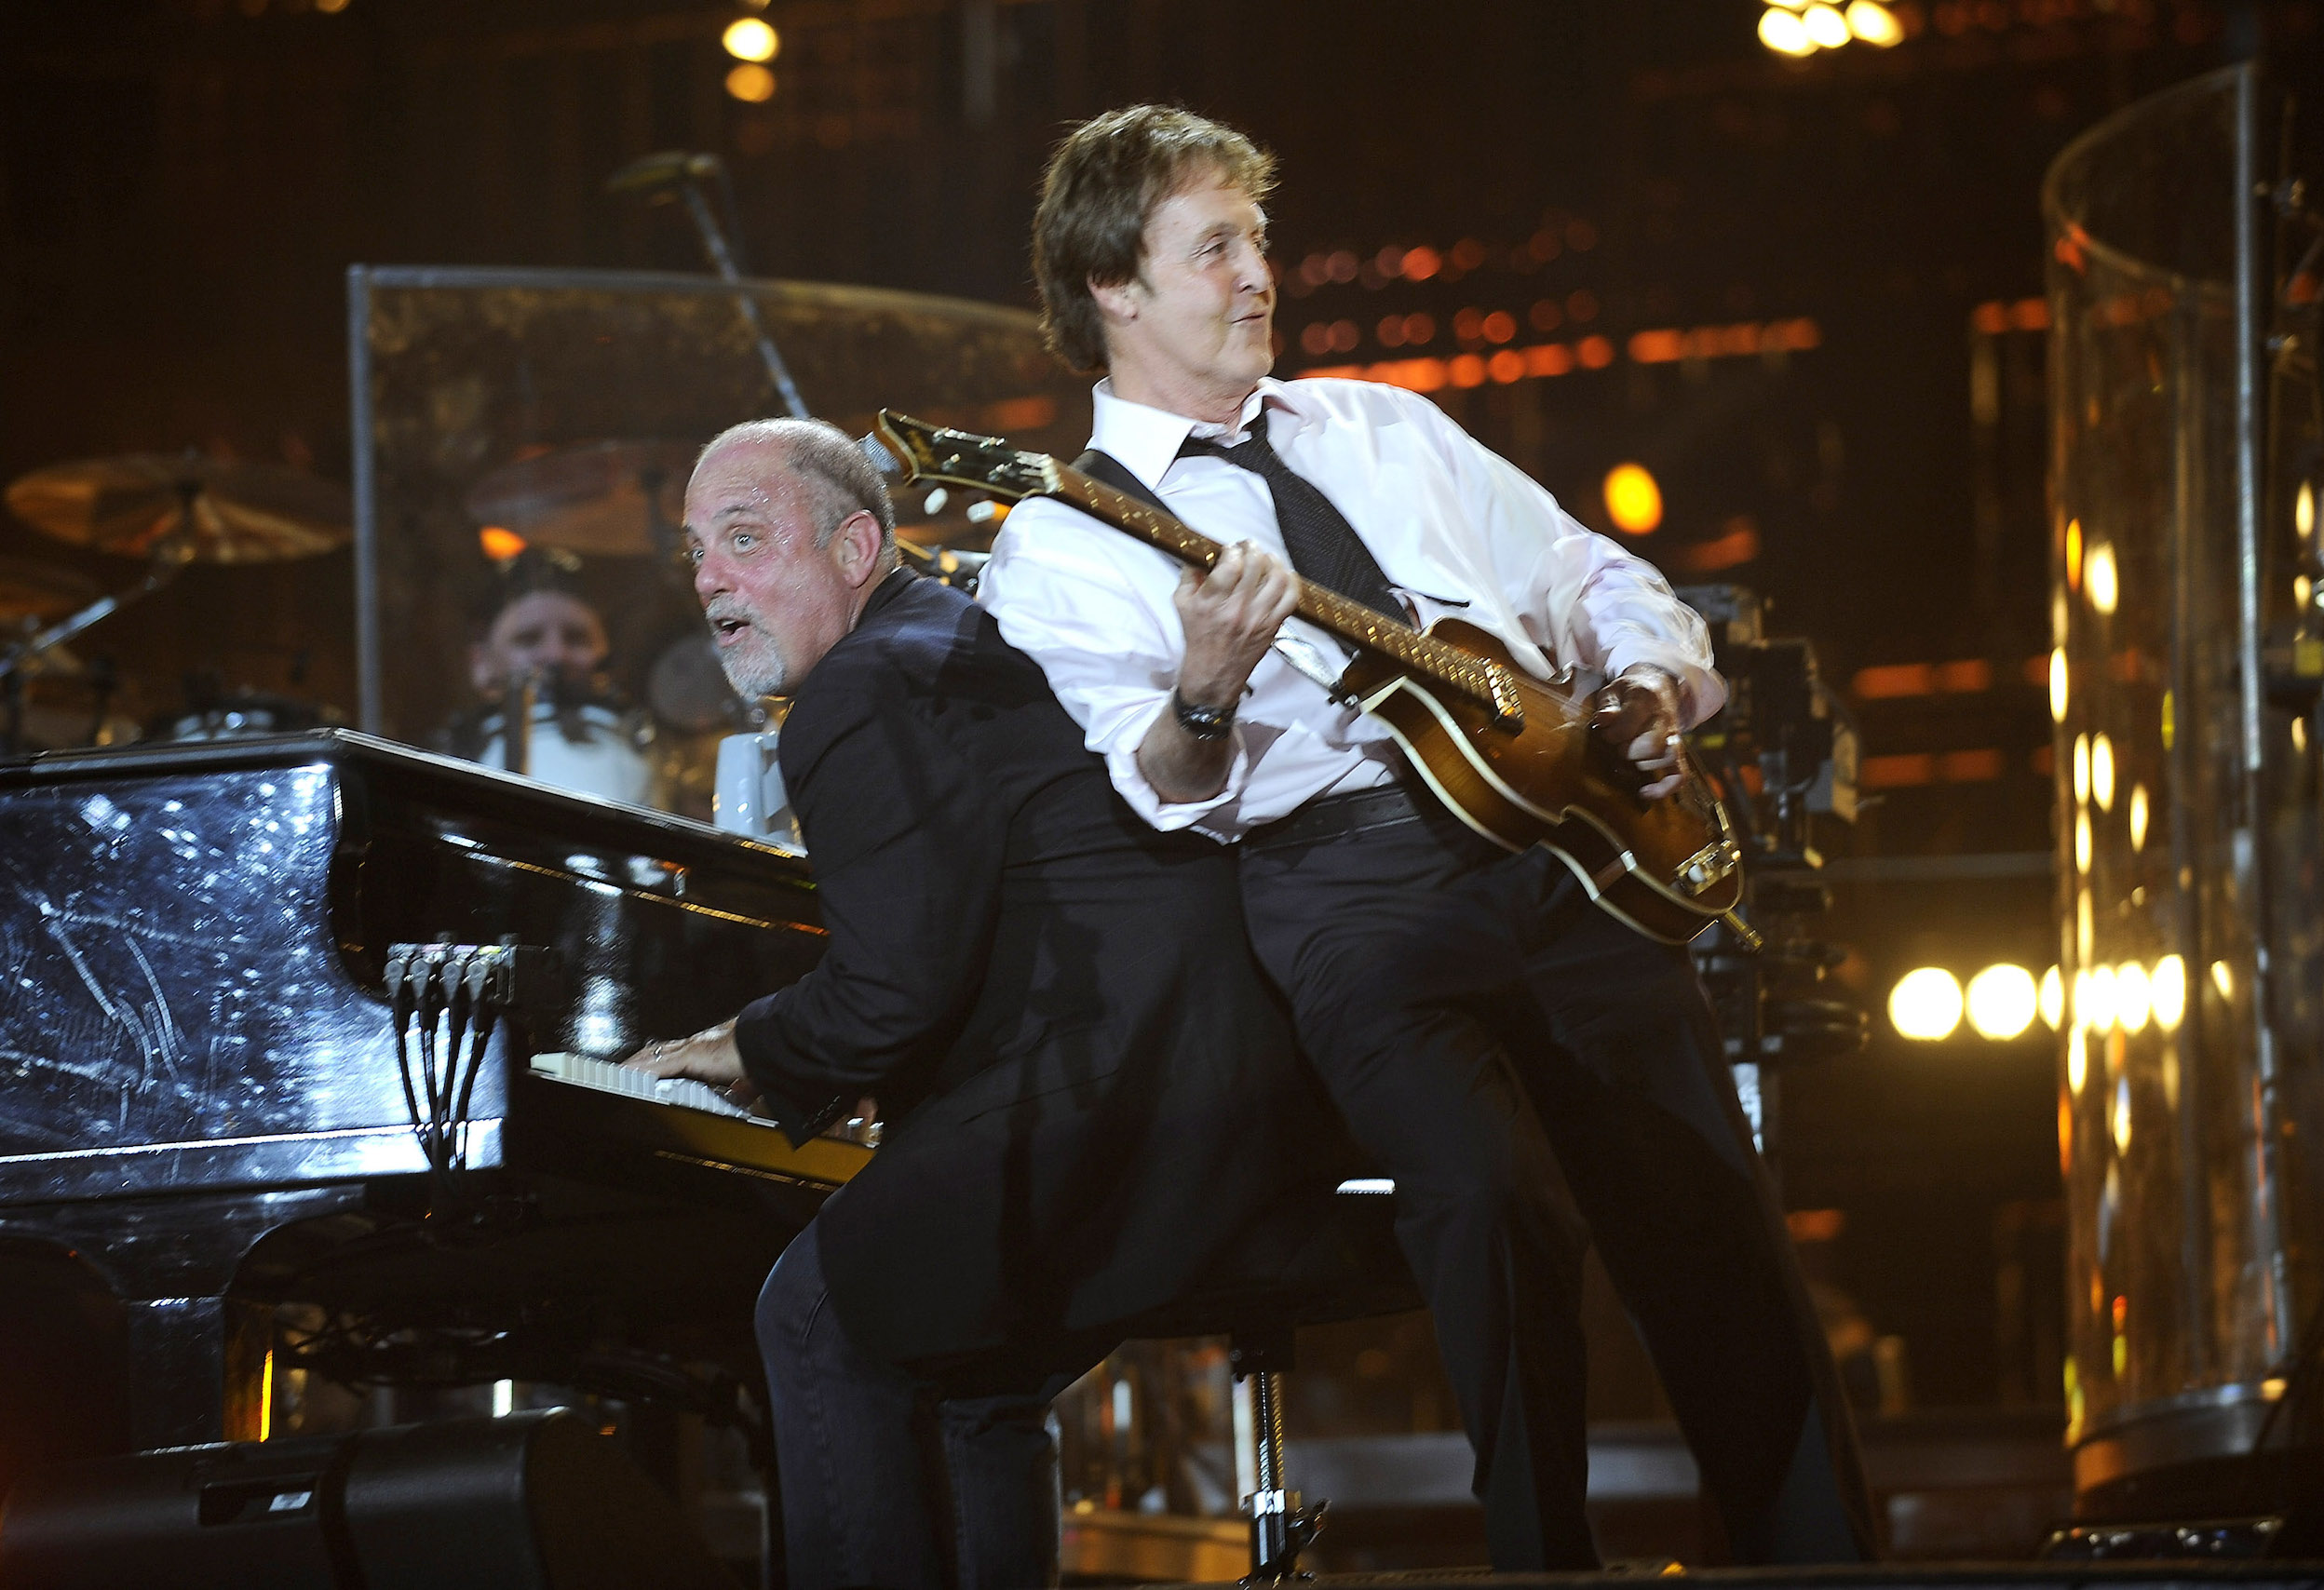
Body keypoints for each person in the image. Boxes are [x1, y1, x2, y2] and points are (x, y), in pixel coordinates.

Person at [978, 104, 1878, 1569]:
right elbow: (1159, 782)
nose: (1259, 274)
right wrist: (1205, 688)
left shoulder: (1379, 425)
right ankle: (1540, 1560)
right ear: (1112, 286)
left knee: (1713, 1230)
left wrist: (1647, 676)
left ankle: (1829, 1564)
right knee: (1488, 1203)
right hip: (1347, 889)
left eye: (1259, 240)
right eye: (1216, 248)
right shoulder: (1060, 537)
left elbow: (1587, 567)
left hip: (1566, 847)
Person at [626, 417, 1341, 1590]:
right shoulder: (958, 640)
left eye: (744, 539)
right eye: (697, 549)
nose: (709, 576)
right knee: (979, 1366)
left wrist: (743, 1044)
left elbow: (889, 992)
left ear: (855, 547)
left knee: (814, 1316)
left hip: (1119, 1098)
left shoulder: (864, 684)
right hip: (1221, 1079)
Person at [435, 551, 658, 806]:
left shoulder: (652, 749)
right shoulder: (446, 766)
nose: (555, 655)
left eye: (577, 638)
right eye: (528, 638)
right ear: (480, 662)